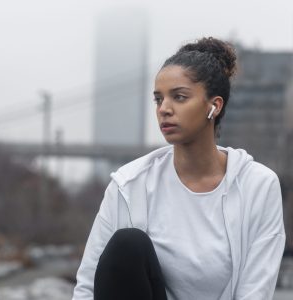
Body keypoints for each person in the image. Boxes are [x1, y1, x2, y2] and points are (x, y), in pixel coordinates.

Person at [72, 37, 286, 300]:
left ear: (214, 106)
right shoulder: (129, 184)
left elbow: (256, 292)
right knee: (128, 245)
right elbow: (88, 288)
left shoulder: (259, 186)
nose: (164, 109)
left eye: (179, 97)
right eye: (158, 99)